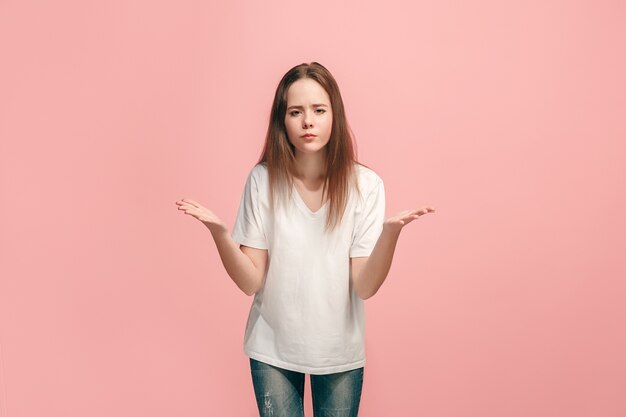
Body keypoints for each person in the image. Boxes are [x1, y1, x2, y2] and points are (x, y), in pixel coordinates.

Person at [175, 62, 435, 417]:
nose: (307, 121)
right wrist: (220, 235)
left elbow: (365, 286)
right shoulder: (262, 180)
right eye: (295, 112)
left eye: (318, 110)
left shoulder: (366, 186)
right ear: (282, 120)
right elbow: (250, 280)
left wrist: (390, 236)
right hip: (272, 350)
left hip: (339, 352)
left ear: (335, 115)